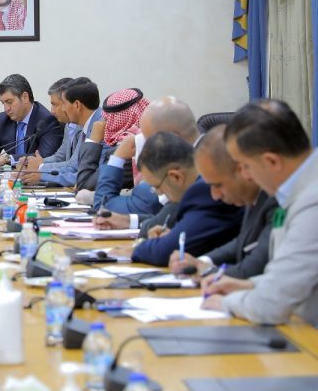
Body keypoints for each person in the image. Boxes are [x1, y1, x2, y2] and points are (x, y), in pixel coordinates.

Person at [203, 100, 318, 326]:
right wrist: (250, 285)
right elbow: (291, 278)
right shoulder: (298, 190)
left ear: (271, 161)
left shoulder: (312, 202)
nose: (246, 176)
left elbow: (271, 306)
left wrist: (226, 303)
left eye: (245, 166)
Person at [113, 132, 242, 267]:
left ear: (176, 177)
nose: (158, 193)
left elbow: (164, 251)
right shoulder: (199, 190)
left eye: (157, 186)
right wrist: (170, 236)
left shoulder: (205, 191)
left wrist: (137, 249)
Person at [168, 125, 277, 280]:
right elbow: (243, 243)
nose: (215, 196)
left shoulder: (276, 200)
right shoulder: (251, 195)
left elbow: (254, 268)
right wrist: (202, 261)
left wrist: (205, 272)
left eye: (218, 185)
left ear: (242, 170)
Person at [93, 96, 201, 230]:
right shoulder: (199, 155)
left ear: (173, 137)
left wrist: (118, 157)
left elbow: (103, 206)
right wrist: (128, 221)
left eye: (149, 140)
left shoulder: (203, 169)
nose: (144, 145)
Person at [20, 77, 102, 187]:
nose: (63, 109)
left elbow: (80, 171)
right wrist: (39, 167)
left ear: (77, 105)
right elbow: (73, 164)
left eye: (64, 104)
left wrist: (41, 171)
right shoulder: (85, 125)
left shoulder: (101, 127)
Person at [0, 74, 64, 166]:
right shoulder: (3, 119)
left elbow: (44, 156)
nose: (6, 109)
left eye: (9, 102)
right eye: (3, 103)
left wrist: (8, 158)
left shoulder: (47, 121)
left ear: (25, 97)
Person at [75, 87, 149, 193]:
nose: (104, 121)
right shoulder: (146, 137)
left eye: (107, 117)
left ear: (120, 118)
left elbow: (84, 186)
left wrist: (93, 140)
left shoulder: (128, 148)